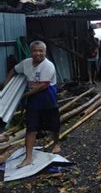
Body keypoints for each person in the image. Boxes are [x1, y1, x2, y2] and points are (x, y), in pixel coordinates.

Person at [4, 40, 60, 168]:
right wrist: (6, 87)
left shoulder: (48, 66)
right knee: (31, 128)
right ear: (31, 52)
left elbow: (42, 86)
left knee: (54, 125)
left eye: (41, 51)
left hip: (48, 98)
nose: (38, 53)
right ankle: (28, 157)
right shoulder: (26, 63)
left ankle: (56, 143)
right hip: (34, 100)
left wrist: (22, 96)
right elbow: (13, 70)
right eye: (35, 50)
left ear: (45, 52)